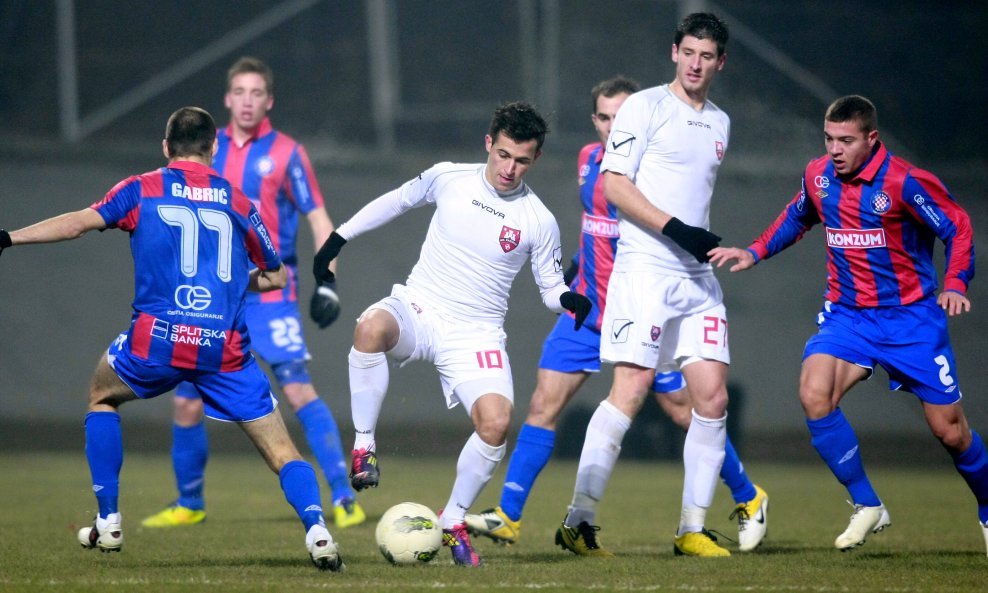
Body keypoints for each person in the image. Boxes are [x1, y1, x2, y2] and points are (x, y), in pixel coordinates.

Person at [0, 107, 343, 570]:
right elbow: (277, 276)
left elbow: (79, 222)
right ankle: (318, 531)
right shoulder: (239, 201)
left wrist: (8, 238)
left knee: (102, 395)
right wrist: (231, 284)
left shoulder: (140, 188)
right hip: (224, 350)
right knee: (283, 451)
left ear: (166, 147)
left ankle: (110, 521)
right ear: (214, 148)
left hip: (157, 341)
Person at [464, 76, 768, 555]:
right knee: (543, 404)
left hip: (641, 306)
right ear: (594, 121)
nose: (612, 127)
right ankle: (508, 516)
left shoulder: (654, 169)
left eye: (621, 117)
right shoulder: (589, 161)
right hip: (589, 309)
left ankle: (749, 495)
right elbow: (594, 232)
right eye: (604, 118)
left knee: (687, 413)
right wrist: (570, 276)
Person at [311, 101, 592, 567]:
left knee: (497, 423)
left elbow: (549, 286)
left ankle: (453, 520)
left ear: (535, 159)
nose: (509, 168)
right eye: (503, 155)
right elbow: (398, 199)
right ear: (489, 143)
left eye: (521, 160)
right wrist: (339, 237)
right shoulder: (449, 177)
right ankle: (363, 446)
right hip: (420, 306)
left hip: (477, 333)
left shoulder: (538, 220)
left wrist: (568, 299)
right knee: (369, 328)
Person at [709, 95, 988, 554]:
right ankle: (866, 502)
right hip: (848, 316)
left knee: (950, 432)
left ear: (870, 139)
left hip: (910, 321)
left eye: (846, 140)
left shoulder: (905, 182)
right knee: (814, 393)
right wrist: (755, 250)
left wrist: (956, 281)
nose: (834, 149)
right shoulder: (818, 176)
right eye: (829, 138)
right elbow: (797, 216)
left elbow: (956, 226)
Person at [140, 57, 364, 531]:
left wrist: (328, 279)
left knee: (298, 388)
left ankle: (344, 497)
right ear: (227, 98)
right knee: (185, 399)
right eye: (239, 91)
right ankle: (190, 503)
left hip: (269, 290)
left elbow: (318, 218)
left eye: (256, 92)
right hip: (211, 297)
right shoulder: (206, 149)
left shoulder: (287, 154)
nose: (246, 100)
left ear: (269, 100)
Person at [551, 12, 736, 558]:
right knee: (630, 391)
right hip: (646, 270)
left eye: (707, 56)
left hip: (696, 278)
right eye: (688, 53)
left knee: (713, 397)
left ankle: (692, 529)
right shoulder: (645, 106)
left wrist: (696, 241)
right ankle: (577, 520)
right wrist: (679, 230)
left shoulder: (721, 122)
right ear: (674, 52)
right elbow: (612, 184)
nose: (696, 64)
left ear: (719, 62)